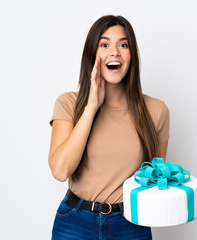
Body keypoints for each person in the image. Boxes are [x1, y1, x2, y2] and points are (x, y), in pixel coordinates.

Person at [48, 15, 170, 240]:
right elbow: (60, 170)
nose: (115, 51)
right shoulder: (68, 104)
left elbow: (153, 180)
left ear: (131, 56)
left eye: (123, 45)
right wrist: (91, 106)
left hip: (131, 224)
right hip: (75, 223)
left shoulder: (156, 111)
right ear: (92, 55)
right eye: (105, 44)